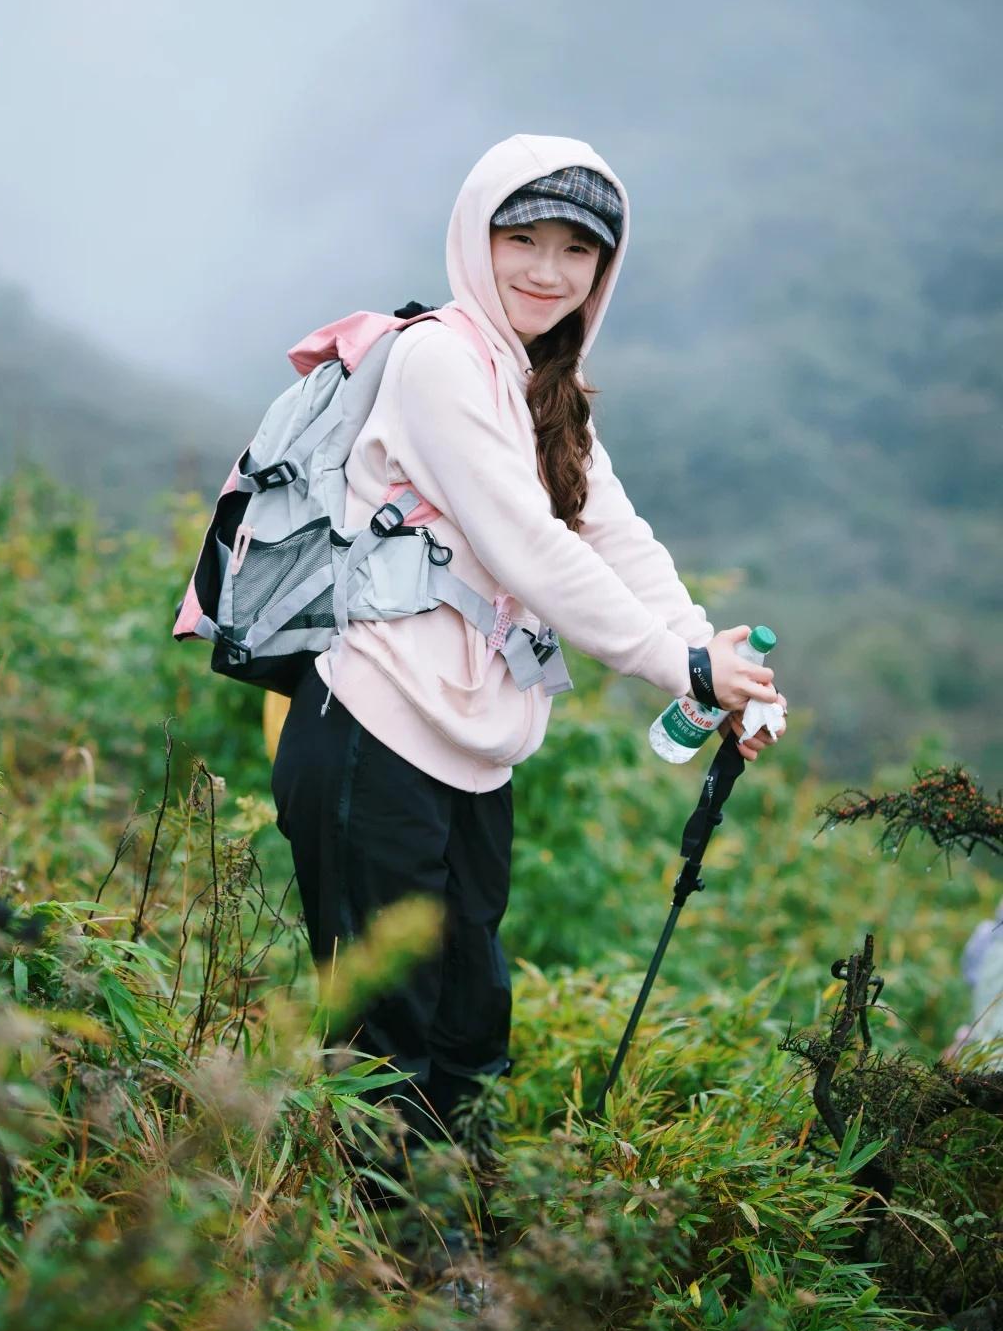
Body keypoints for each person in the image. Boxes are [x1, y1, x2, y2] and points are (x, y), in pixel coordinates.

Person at [270, 133, 784, 1173]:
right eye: (523, 238)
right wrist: (676, 666)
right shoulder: (438, 361)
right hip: (372, 726)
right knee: (386, 1020)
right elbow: (528, 544)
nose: (548, 270)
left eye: (577, 251)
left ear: (605, 268)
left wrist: (711, 654)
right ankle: (389, 1265)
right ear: (477, 236)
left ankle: (460, 1218)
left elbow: (615, 537)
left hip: (471, 748)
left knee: (471, 1006)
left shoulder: (544, 383)